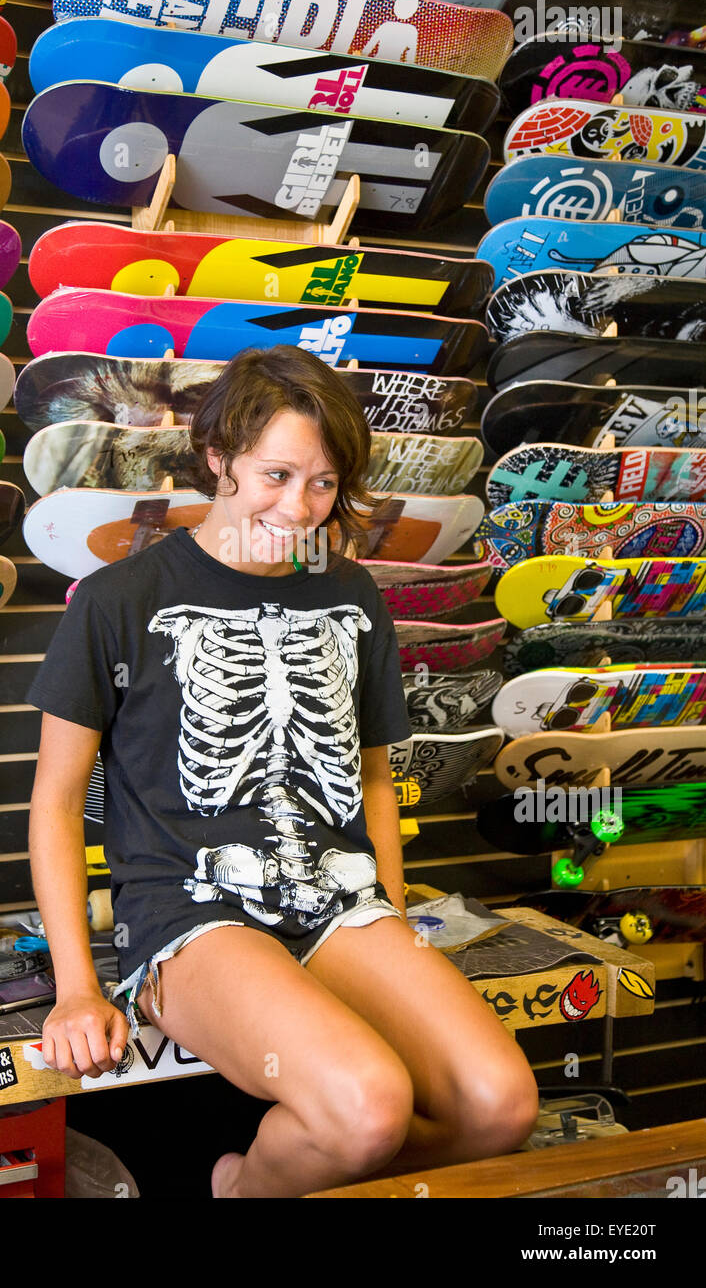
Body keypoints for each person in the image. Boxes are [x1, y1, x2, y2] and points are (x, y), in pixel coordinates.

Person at [27, 345, 538, 1198]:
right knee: (365, 1109)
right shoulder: (121, 600)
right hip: (193, 916)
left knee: (498, 1108)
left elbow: (373, 778)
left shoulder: (351, 594)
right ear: (218, 456)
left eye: (324, 483)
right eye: (276, 474)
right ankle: (238, 1190)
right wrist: (77, 989)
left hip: (340, 896)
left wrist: (392, 921)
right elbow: (53, 803)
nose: (299, 507)